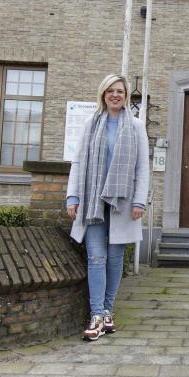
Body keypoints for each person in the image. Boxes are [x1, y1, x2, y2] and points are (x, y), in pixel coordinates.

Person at [67, 74, 149, 341]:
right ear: (103, 94)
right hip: (92, 202)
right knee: (96, 258)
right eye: (111, 91)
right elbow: (78, 162)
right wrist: (72, 197)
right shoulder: (91, 124)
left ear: (126, 96)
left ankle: (108, 311)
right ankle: (97, 315)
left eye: (120, 91)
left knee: (115, 260)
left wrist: (139, 201)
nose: (116, 95)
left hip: (122, 204)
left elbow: (142, 168)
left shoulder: (136, 126)